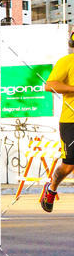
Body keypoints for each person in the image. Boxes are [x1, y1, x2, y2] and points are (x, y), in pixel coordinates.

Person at [40, 31, 74, 212]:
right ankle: (52, 188)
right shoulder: (66, 62)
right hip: (71, 121)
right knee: (68, 165)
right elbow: (50, 85)